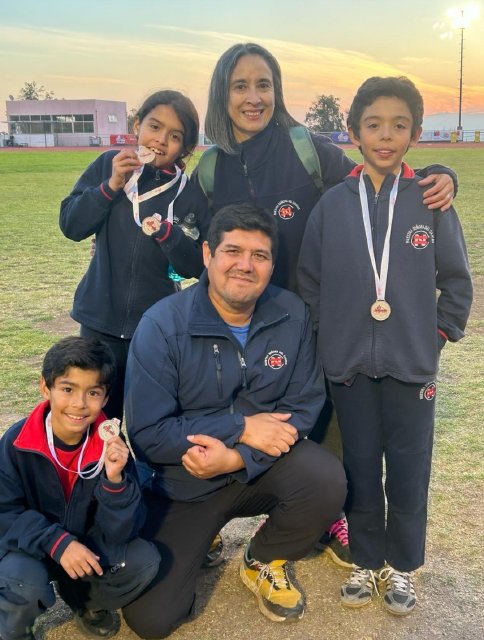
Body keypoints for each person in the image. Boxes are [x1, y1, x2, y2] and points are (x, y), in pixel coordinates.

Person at [192, 42, 458, 566]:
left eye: (263, 85)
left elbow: (381, 174)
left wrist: (444, 172)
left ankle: (321, 512)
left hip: (313, 321)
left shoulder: (306, 148)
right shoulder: (209, 168)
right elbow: (192, 239)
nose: (253, 97)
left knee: (327, 421)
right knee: (242, 414)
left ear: (278, 91)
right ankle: (207, 517)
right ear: (221, 94)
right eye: (240, 86)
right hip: (245, 320)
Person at [121, 204, 347, 638]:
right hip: (185, 483)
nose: (245, 265)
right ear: (207, 254)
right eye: (233, 251)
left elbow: (304, 405)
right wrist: (240, 428)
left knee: (325, 480)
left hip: (257, 469)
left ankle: (262, 556)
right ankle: (200, 538)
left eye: (259, 256)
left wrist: (236, 457)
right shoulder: (163, 324)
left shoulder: (292, 313)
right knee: (152, 620)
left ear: (272, 265)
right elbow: (148, 434)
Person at [297, 76, 472, 616]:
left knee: (410, 467)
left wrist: (435, 335)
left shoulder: (431, 200)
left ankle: (402, 567)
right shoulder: (332, 205)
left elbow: (458, 281)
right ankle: (367, 561)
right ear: (353, 132)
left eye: (399, 125)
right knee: (361, 466)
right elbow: (311, 284)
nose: (386, 135)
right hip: (348, 366)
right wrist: (332, 337)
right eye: (373, 124)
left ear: (415, 133)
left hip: (412, 367)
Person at [60, 90, 210, 422]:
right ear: (137, 125)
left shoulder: (189, 193)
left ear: (185, 147)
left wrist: (169, 236)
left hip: (156, 329)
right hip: (100, 321)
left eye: (175, 136)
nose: (161, 140)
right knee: (98, 419)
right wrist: (110, 186)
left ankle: (145, 474)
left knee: (150, 421)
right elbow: (71, 224)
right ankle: (99, 475)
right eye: (155, 127)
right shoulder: (108, 166)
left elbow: (198, 266)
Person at [0, 336, 161, 640]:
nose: (79, 404)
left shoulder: (112, 445)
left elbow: (124, 531)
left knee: (142, 561)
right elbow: (4, 512)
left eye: (93, 392)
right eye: (67, 389)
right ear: (45, 387)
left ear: (105, 397)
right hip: (34, 549)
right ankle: (17, 629)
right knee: (20, 578)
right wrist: (55, 542)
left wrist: (115, 482)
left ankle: (86, 601)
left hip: (87, 547)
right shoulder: (17, 442)